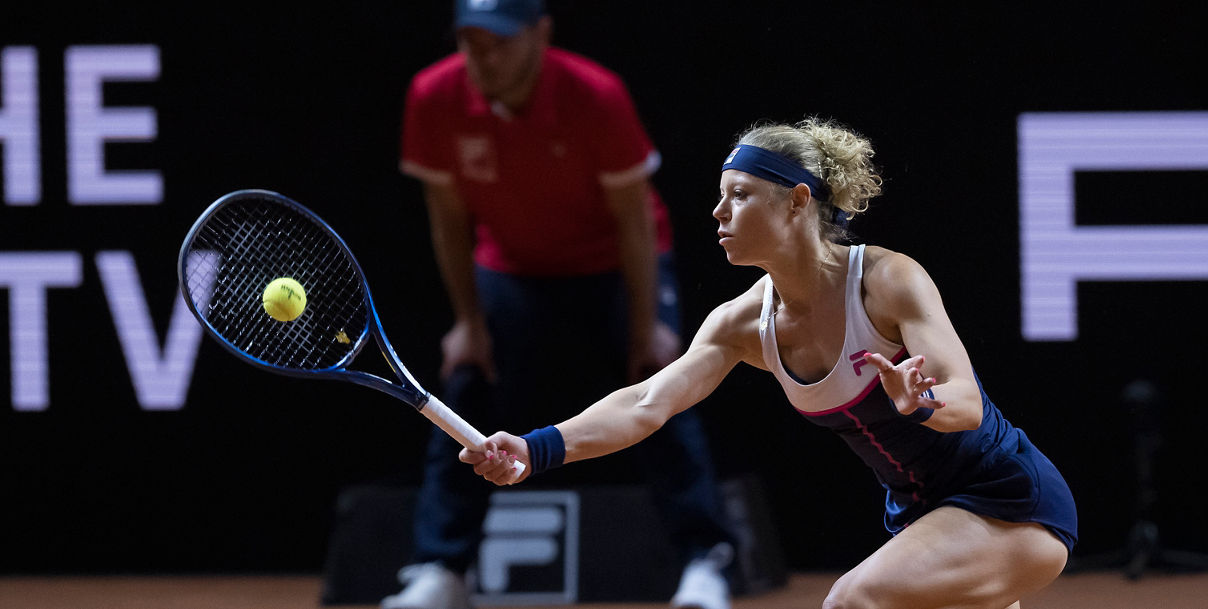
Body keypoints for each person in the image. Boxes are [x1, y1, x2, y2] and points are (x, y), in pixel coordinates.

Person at [465, 118, 1080, 609]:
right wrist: (535, 447)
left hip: (1007, 500)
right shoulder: (741, 325)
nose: (718, 212)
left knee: (852, 602)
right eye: (719, 197)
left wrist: (922, 403)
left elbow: (965, 404)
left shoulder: (888, 281)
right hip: (924, 519)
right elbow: (646, 403)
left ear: (797, 202)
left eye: (740, 195)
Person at [383, 1, 736, 608]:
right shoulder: (434, 95)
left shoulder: (595, 95)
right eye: (470, 42)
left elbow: (634, 220)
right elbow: (447, 219)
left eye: (499, 41)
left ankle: (706, 562)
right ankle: (442, 569)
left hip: (612, 265)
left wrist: (646, 322)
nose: (483, 57)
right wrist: (468, 324)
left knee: (661, 384)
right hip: (510, 268)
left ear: (541, 32)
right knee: (465, 383)